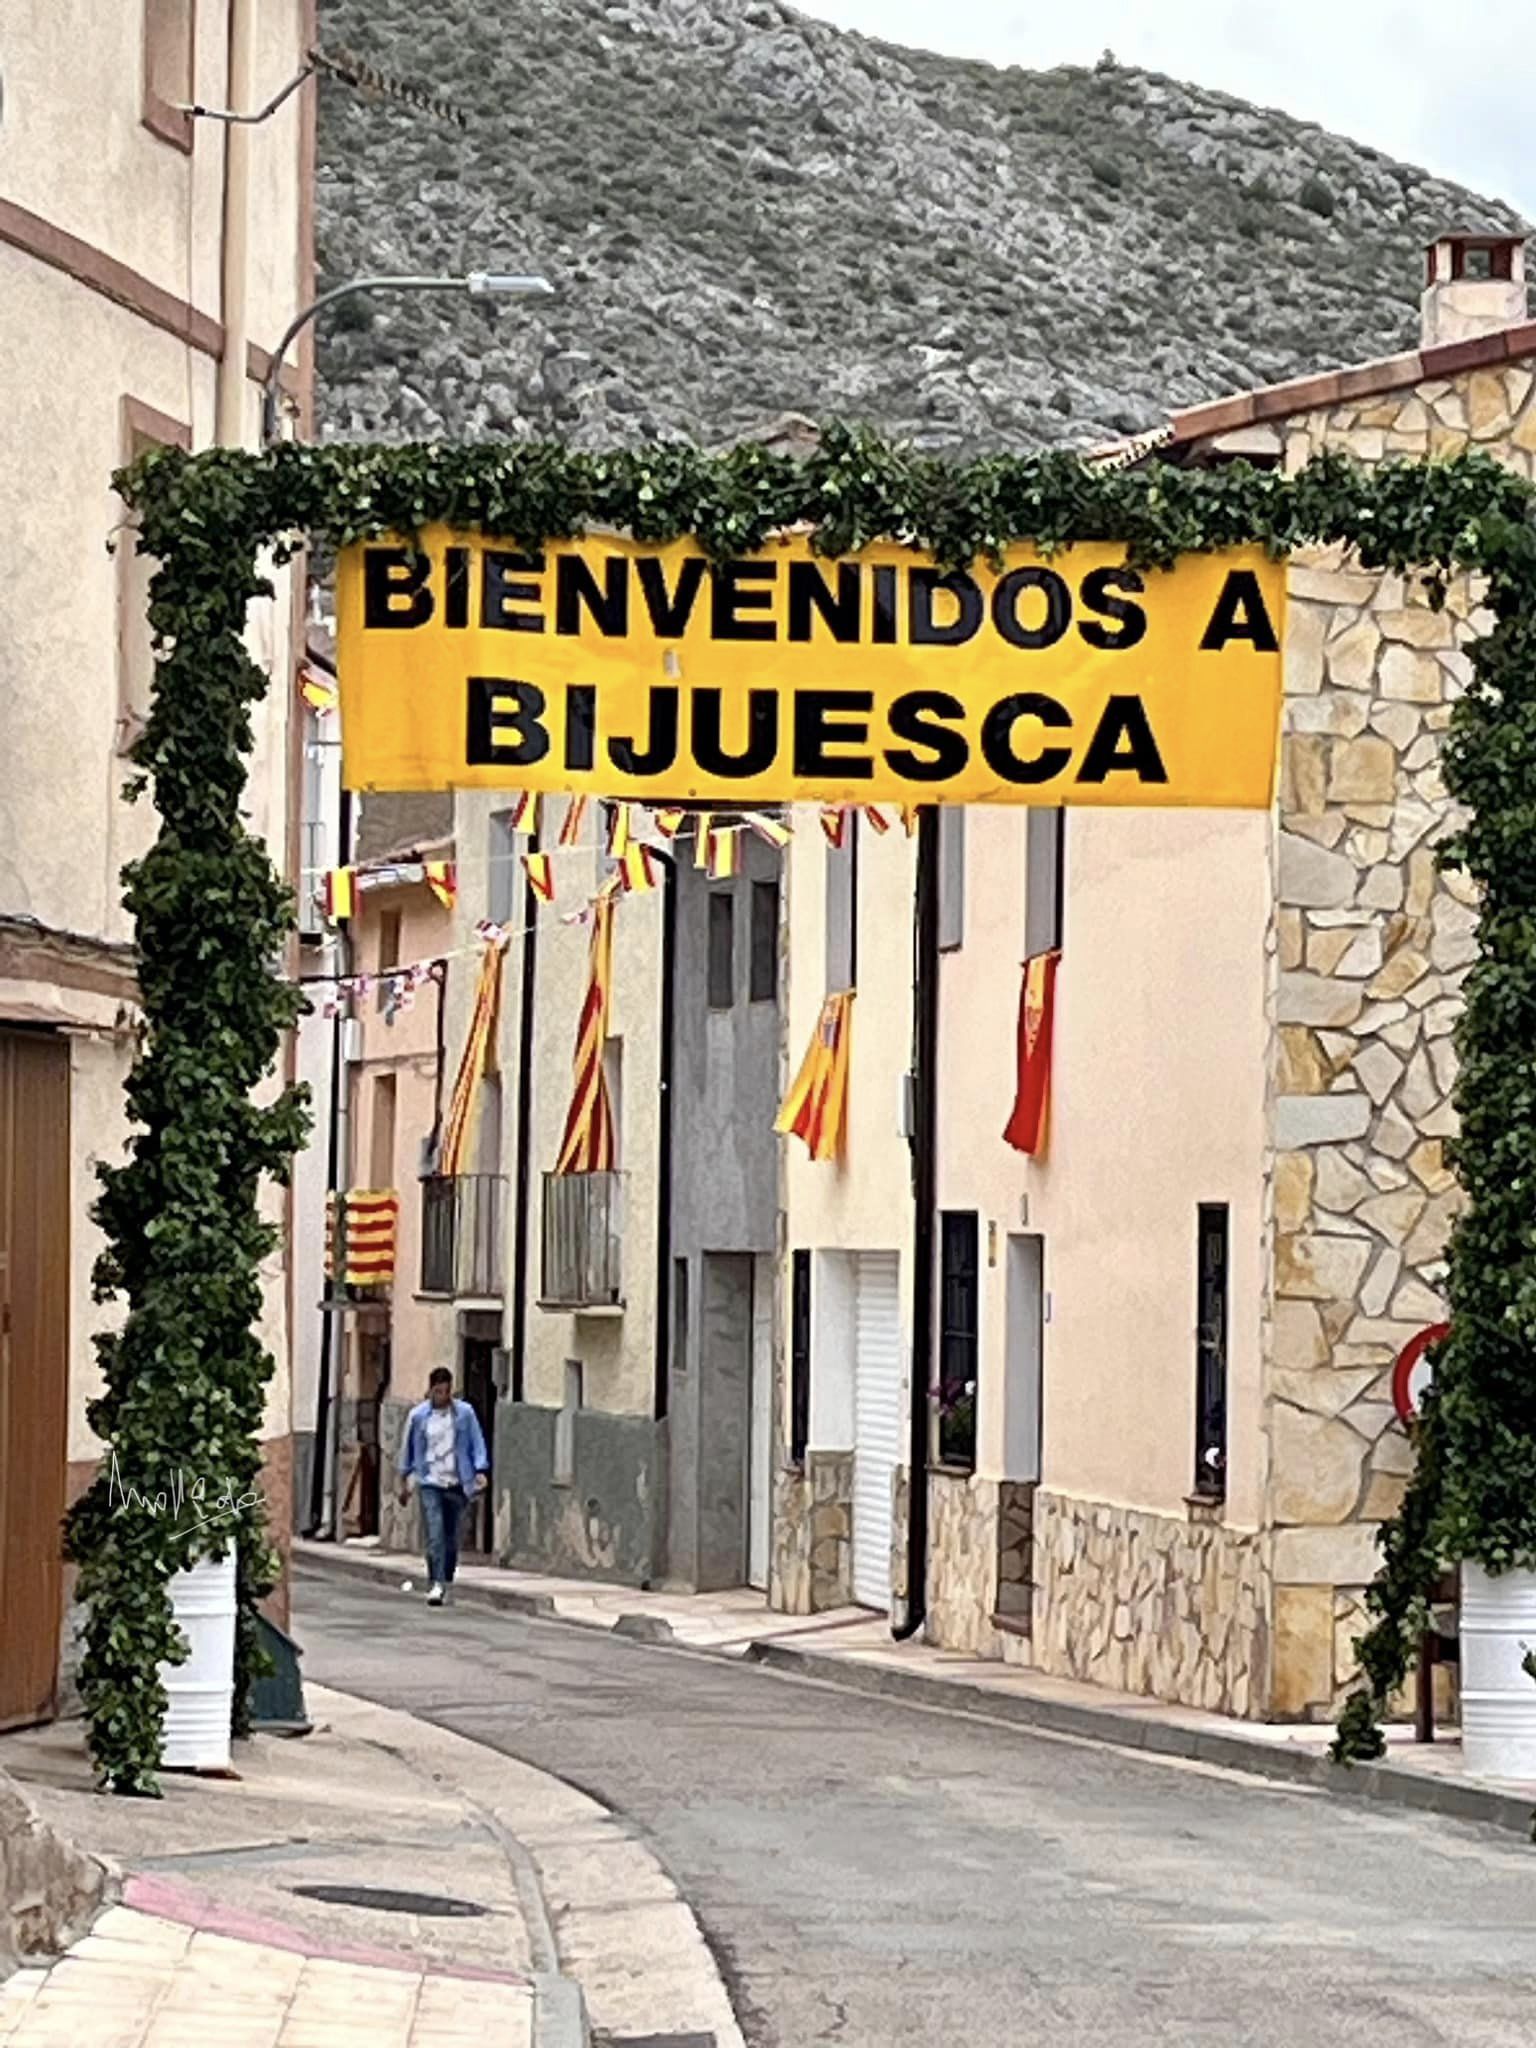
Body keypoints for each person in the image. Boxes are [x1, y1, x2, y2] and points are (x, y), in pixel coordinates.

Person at [396, 1367, 489, 1605]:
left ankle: (446, 1578)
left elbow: (476, 1442)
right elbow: (408, 1450)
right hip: (430, 1481)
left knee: (451, 1537)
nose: (442, 1396)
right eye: (438, 1391)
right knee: (435, 1534)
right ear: (430, 1390)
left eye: (446, 1391)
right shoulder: (418, 1417)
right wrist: (403, 1480)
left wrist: (480, 1470)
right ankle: (435, 1583)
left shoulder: (464, 1414)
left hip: (458, 1482)